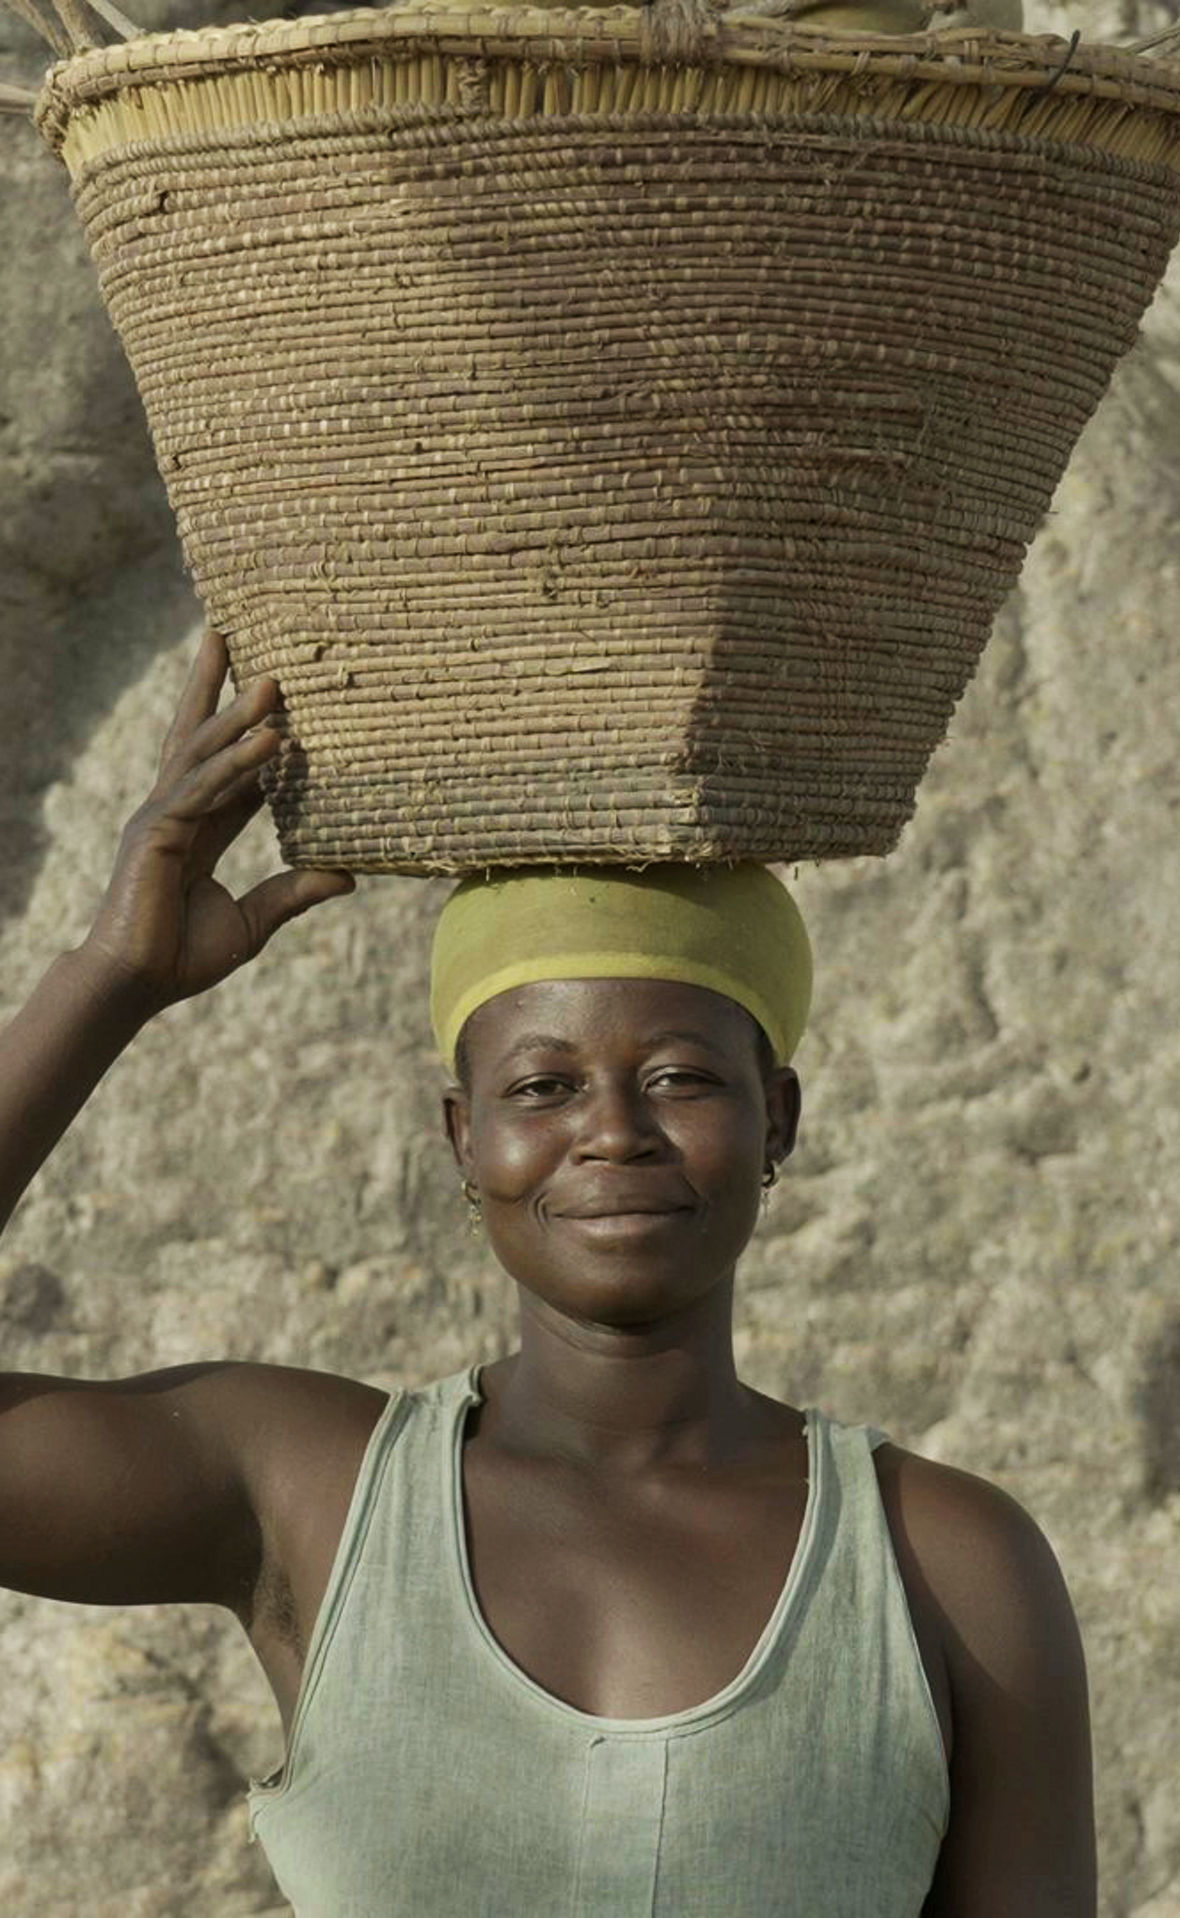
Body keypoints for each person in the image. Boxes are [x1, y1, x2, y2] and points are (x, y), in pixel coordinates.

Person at [0, 626, 1096, 1916]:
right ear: (465, 1139)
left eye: (682, 1077)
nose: (615, 1129)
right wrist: (107, 978)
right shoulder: (314, 1494)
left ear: (779, 1121)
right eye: (542, 1085)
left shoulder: (948, 1563)